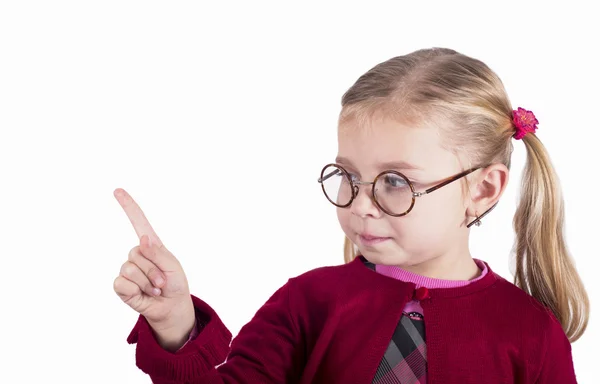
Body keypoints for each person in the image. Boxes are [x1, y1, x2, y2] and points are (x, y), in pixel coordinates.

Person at [113, 47, 589, 383]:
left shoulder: (531, 332)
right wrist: (175, 323)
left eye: (396, 181)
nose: (361, 205)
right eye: (347, 176)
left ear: (482, 190)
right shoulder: (307, 304)